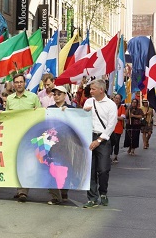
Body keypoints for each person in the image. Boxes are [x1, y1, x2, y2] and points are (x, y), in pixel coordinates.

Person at [81, 79, 117, 208]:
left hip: (103, 139)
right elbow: (82, 118)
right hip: (88, 136)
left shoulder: (111, 105)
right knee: (90, 169)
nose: (90, 91)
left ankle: (103, 193)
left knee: (103, 169)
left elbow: (111, 125)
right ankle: (92, 198)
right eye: (90, 89)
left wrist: (99, 140)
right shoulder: (88, 102)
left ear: (101, 90)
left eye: (93, 89)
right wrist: (84, 112)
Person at [6, 73, 42, 202]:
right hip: (15, 135)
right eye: (16, 82)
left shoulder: (33, 97)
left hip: (29, 136)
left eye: (21, 82)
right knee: (16, 162)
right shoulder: (9, 99)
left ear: (24, 83)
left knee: (26, 162)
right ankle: (20, 188)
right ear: (14, 84)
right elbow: (7, 117)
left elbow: (40, 114)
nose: (19, 84)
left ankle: (23, 191)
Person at [46, 85, 74, 205]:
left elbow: (76, 124)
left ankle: (64, 191)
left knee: (65, 168)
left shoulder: (71, 109)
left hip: (66, 144)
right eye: (55, 94)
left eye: (59, 94)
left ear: (64, 95)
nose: (56, 96)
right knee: (51, 168)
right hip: (52, 143)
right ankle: (55, 196)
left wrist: (67, 113)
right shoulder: (50, 108)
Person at [110, 93, 126, 164]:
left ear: (120, 100)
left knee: (116, 142)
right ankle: (109, 156)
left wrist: (114, 116)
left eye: (118, 99)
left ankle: (115, 156)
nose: (117, 100)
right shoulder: (110, 106)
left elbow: (122, 118)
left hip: (118, 128)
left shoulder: (122, 108)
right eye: (116, 98)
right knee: (109, 143)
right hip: (110, 128)